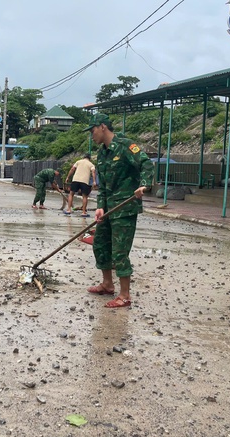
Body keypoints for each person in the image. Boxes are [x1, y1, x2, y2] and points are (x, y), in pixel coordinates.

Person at [83, 113, 154, 308]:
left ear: (103, 127)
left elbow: (146, 163)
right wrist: (100, 206)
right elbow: (104, 185)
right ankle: (107, 284)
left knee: (119, 251)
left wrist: (144, 185)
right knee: (100, 244)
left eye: (93, 130)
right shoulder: (103, 154)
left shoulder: (126, 146)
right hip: (108, 208)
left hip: (125, 207)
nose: (91, 135)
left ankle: (125, 295)